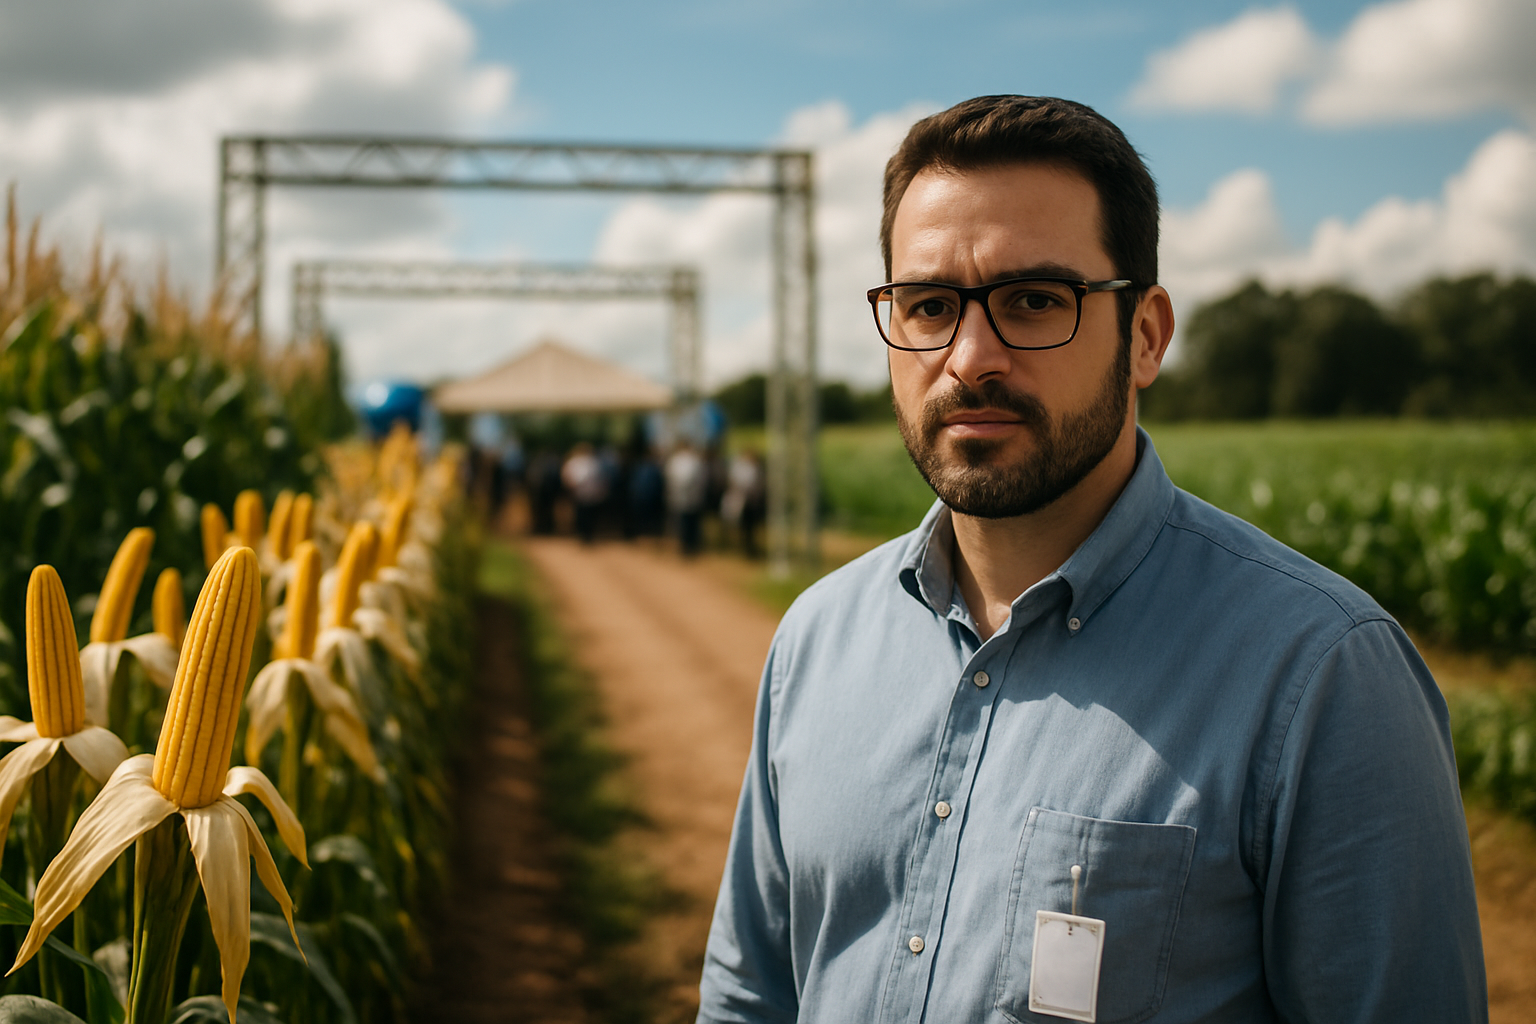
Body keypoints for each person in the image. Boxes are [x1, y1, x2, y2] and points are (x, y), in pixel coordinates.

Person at [697, 96, 1485, 1023]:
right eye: (929, 306)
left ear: (1145, 336)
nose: (970, 358)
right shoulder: (816, 638)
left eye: (1035, 300)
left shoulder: (1321, 676)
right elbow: (751, 995)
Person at [666, 440, 709, 557]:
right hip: (689, 498)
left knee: (685, 523)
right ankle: (690, 546)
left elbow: (671, 479)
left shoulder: (678, 460)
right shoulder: (695, 460)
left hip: (684, 498)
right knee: (691, 523)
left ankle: (687, 546)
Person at [561, 441, 608, 544]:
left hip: (591, 494)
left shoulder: (594, 462)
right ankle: (583, 535)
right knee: (581, 515)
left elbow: (601, 479)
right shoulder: (574, 462)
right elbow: (567, 477)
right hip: (580, 494)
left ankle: (588, 535)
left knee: (590, 515)